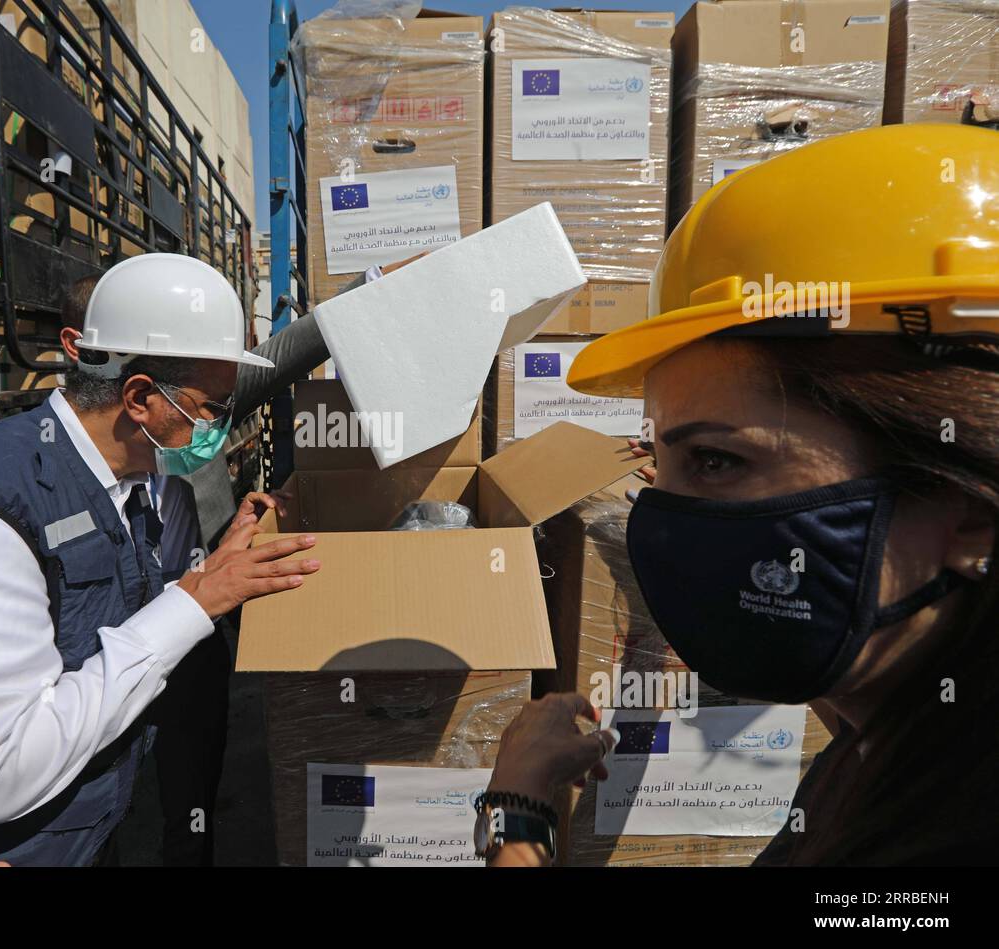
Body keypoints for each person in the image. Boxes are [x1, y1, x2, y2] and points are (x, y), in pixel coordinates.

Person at [478, 123, 999, 866]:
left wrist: (517, 809)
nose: (661, 512)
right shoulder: (892, 748)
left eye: (717, 461)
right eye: (659, 460)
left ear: (971, 503)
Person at [0, 253, 322, 866]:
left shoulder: (134, 484)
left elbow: (108, 634)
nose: (219, 429)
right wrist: (194, 601)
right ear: (140, 398)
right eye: (211, 408)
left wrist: (205, 570)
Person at [59, 258, 412, 865]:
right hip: (108, 647)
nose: (207, 423)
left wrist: (380, 279)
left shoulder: (198, 399)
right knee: (98, 800)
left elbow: (293, 350)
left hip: (198, 631)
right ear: (80, 348)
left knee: (193, 785)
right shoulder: (45, 468)